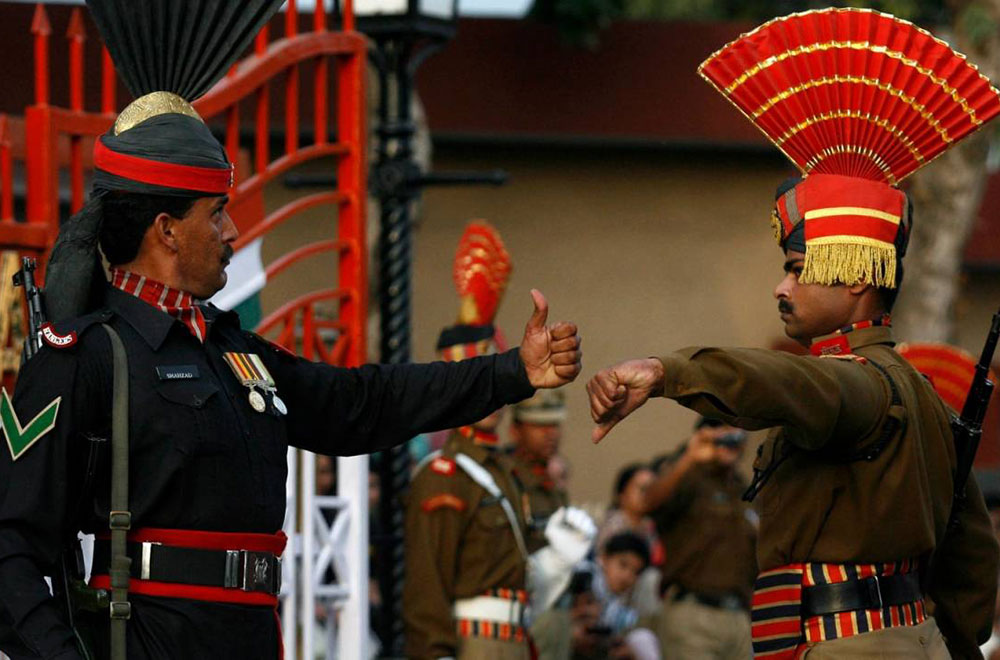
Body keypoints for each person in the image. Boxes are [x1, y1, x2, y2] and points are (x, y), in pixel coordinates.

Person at [0, 5, 584, 658]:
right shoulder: (82, 357)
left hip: (254, 638)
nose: (231, 232)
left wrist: (512, 372)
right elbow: (11, 546)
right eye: (216, 213)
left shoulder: (235, 354)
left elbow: (363, 403)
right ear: (166, 229)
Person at [587, 8, 1000, 659]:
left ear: (856, 277)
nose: (782, 288)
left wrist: (668, 371)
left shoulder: (855, 385)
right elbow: (973, 570)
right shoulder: (928, 404)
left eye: (798, 269)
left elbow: (780, 381)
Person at [644, 418, 756, 660]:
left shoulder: (742, 489)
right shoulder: (690, 478)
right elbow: (649, 502)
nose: (730, 438)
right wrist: (689, 457)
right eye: (721, 430)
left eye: (736, 431)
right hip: (694, 613)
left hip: (738, 616)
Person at [510, 389, 570, 550]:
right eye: (539, 425)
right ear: (516, 431)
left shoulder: (553, 476)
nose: (550, 433)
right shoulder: (507, 477)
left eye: (554, 425)